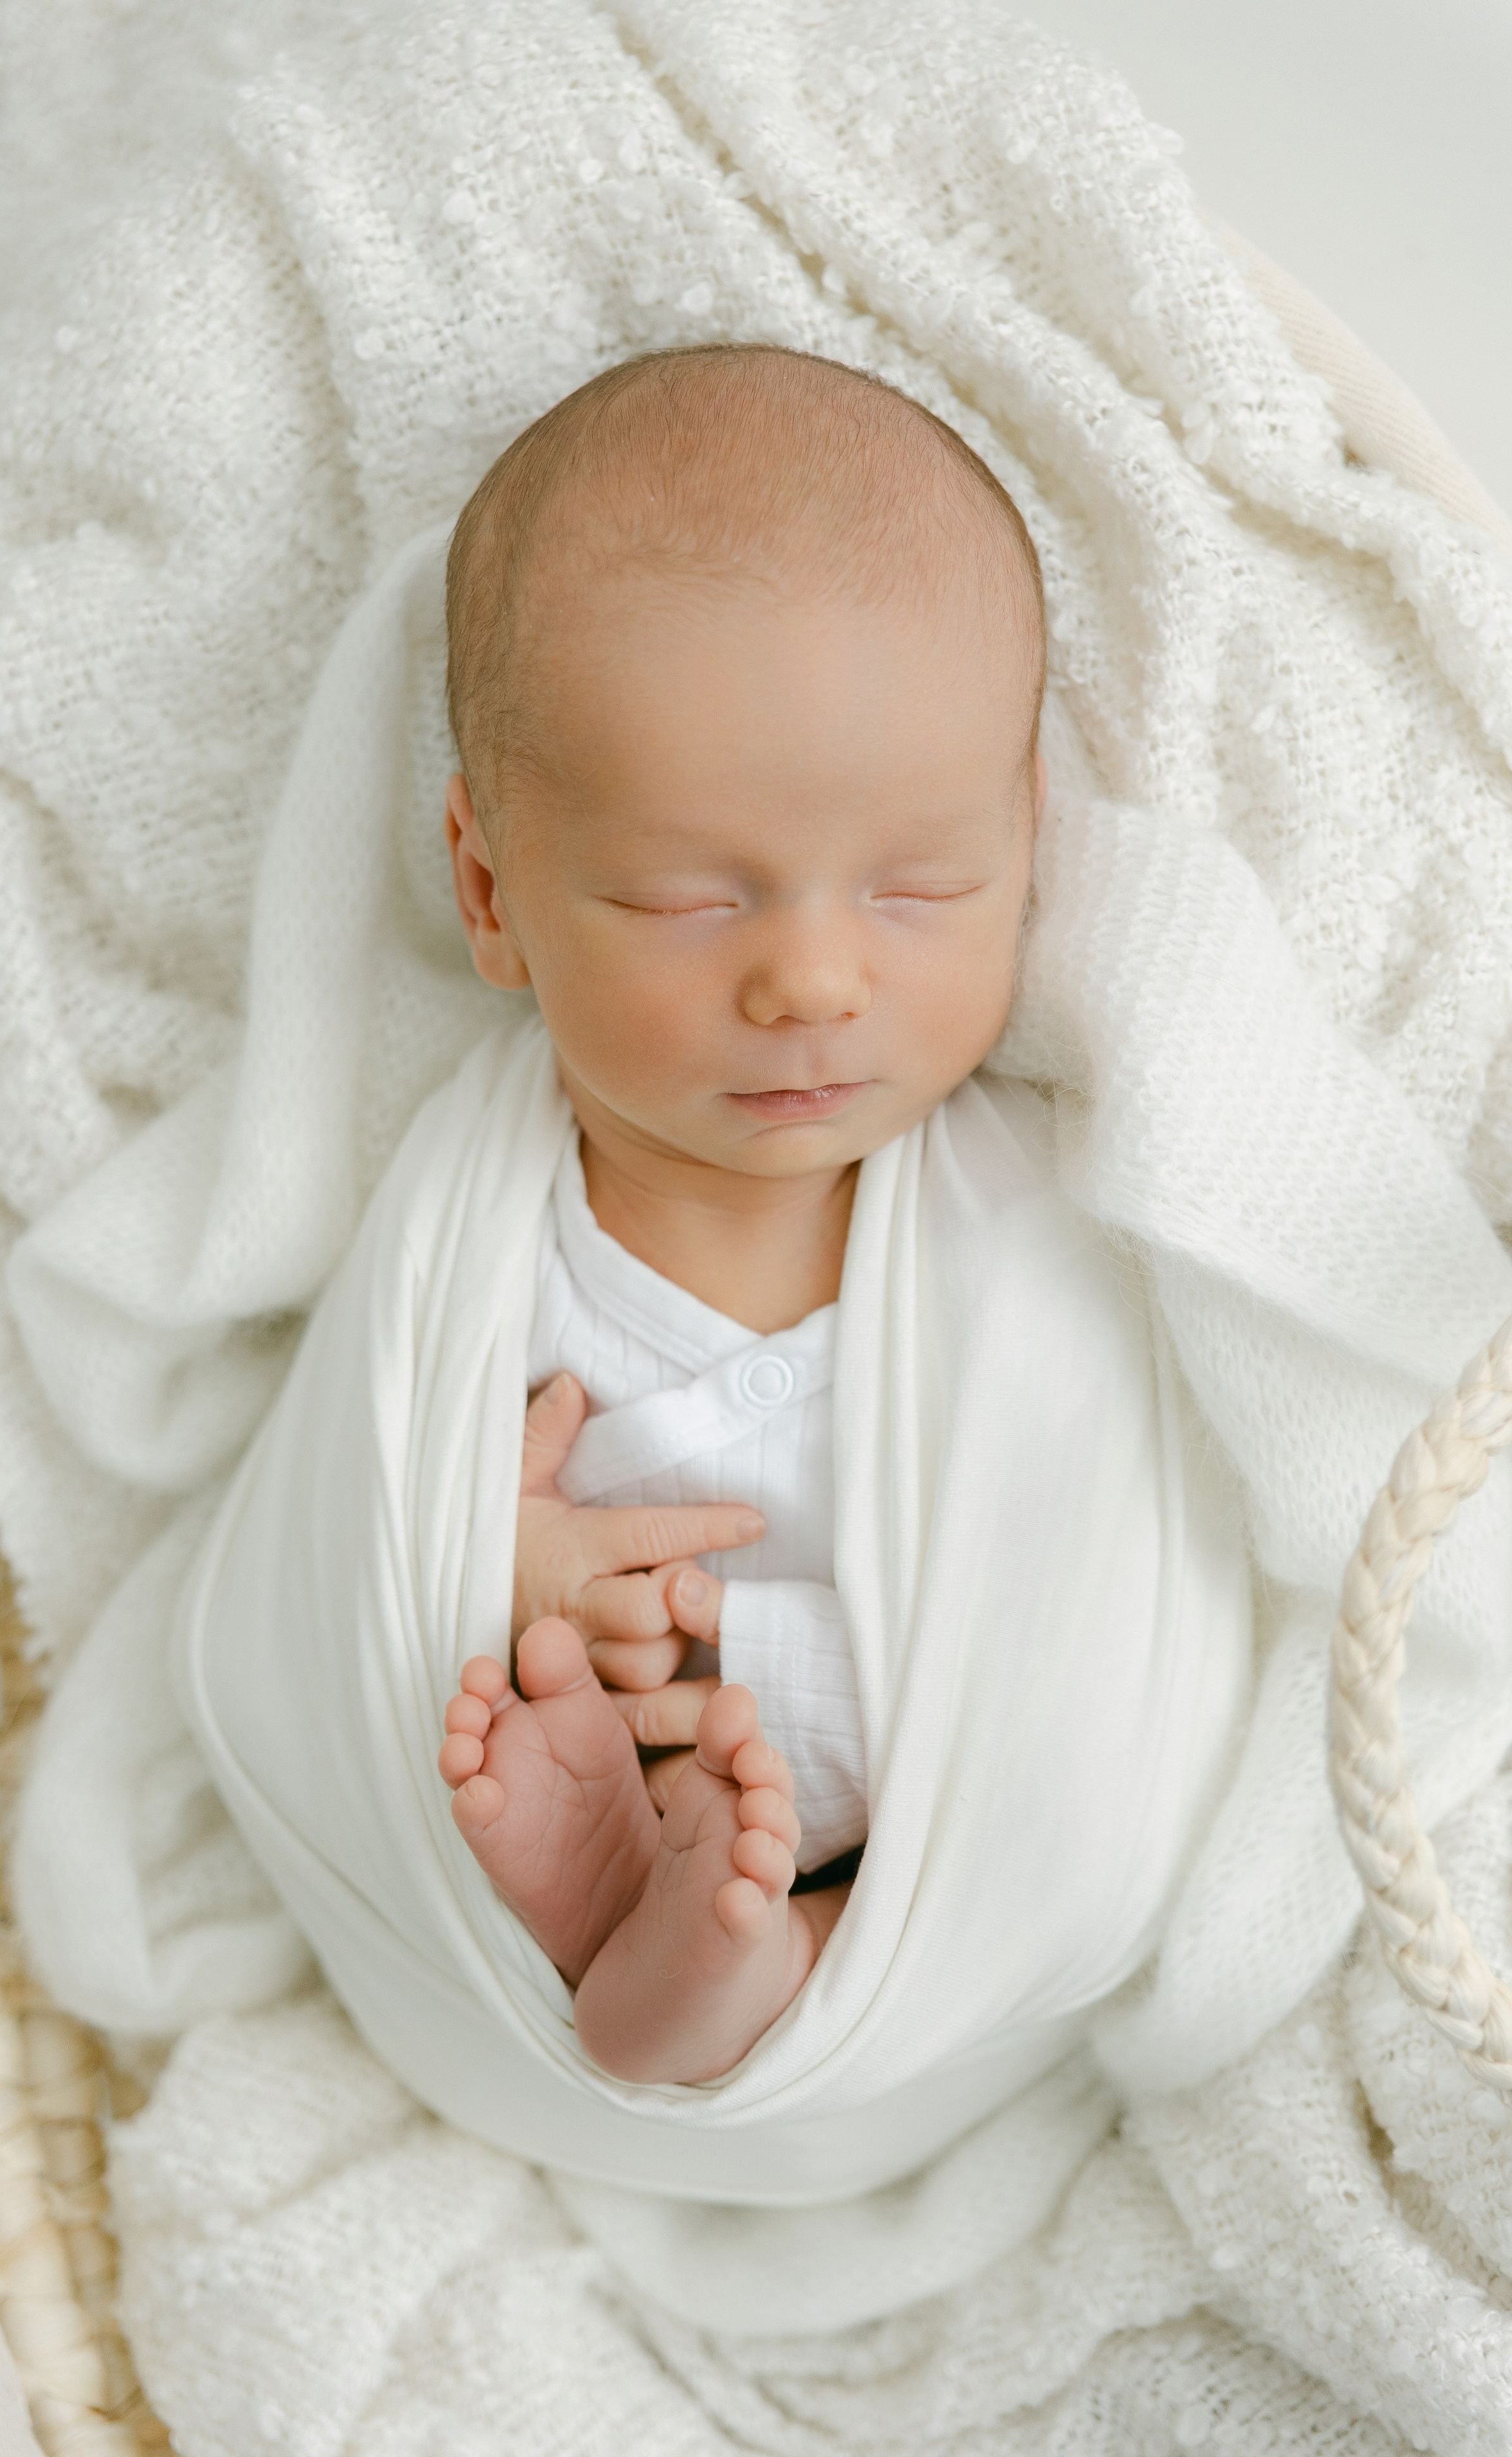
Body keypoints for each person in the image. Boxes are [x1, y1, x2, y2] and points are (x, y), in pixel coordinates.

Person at [433, 339, 1051, 2085]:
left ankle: (755, 1967)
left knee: (1034, 1809)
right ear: (493, 892)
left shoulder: (1034, 1210)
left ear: (1031, 839)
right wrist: (513, 1570)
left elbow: (1128, 1525)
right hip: (627, 1768)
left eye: (922, 887)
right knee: (490, 1729)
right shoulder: (479, 1247)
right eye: (689, 899)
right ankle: (626, 1913)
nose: (813, 977)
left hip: (944, 1829)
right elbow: (359, 1506)